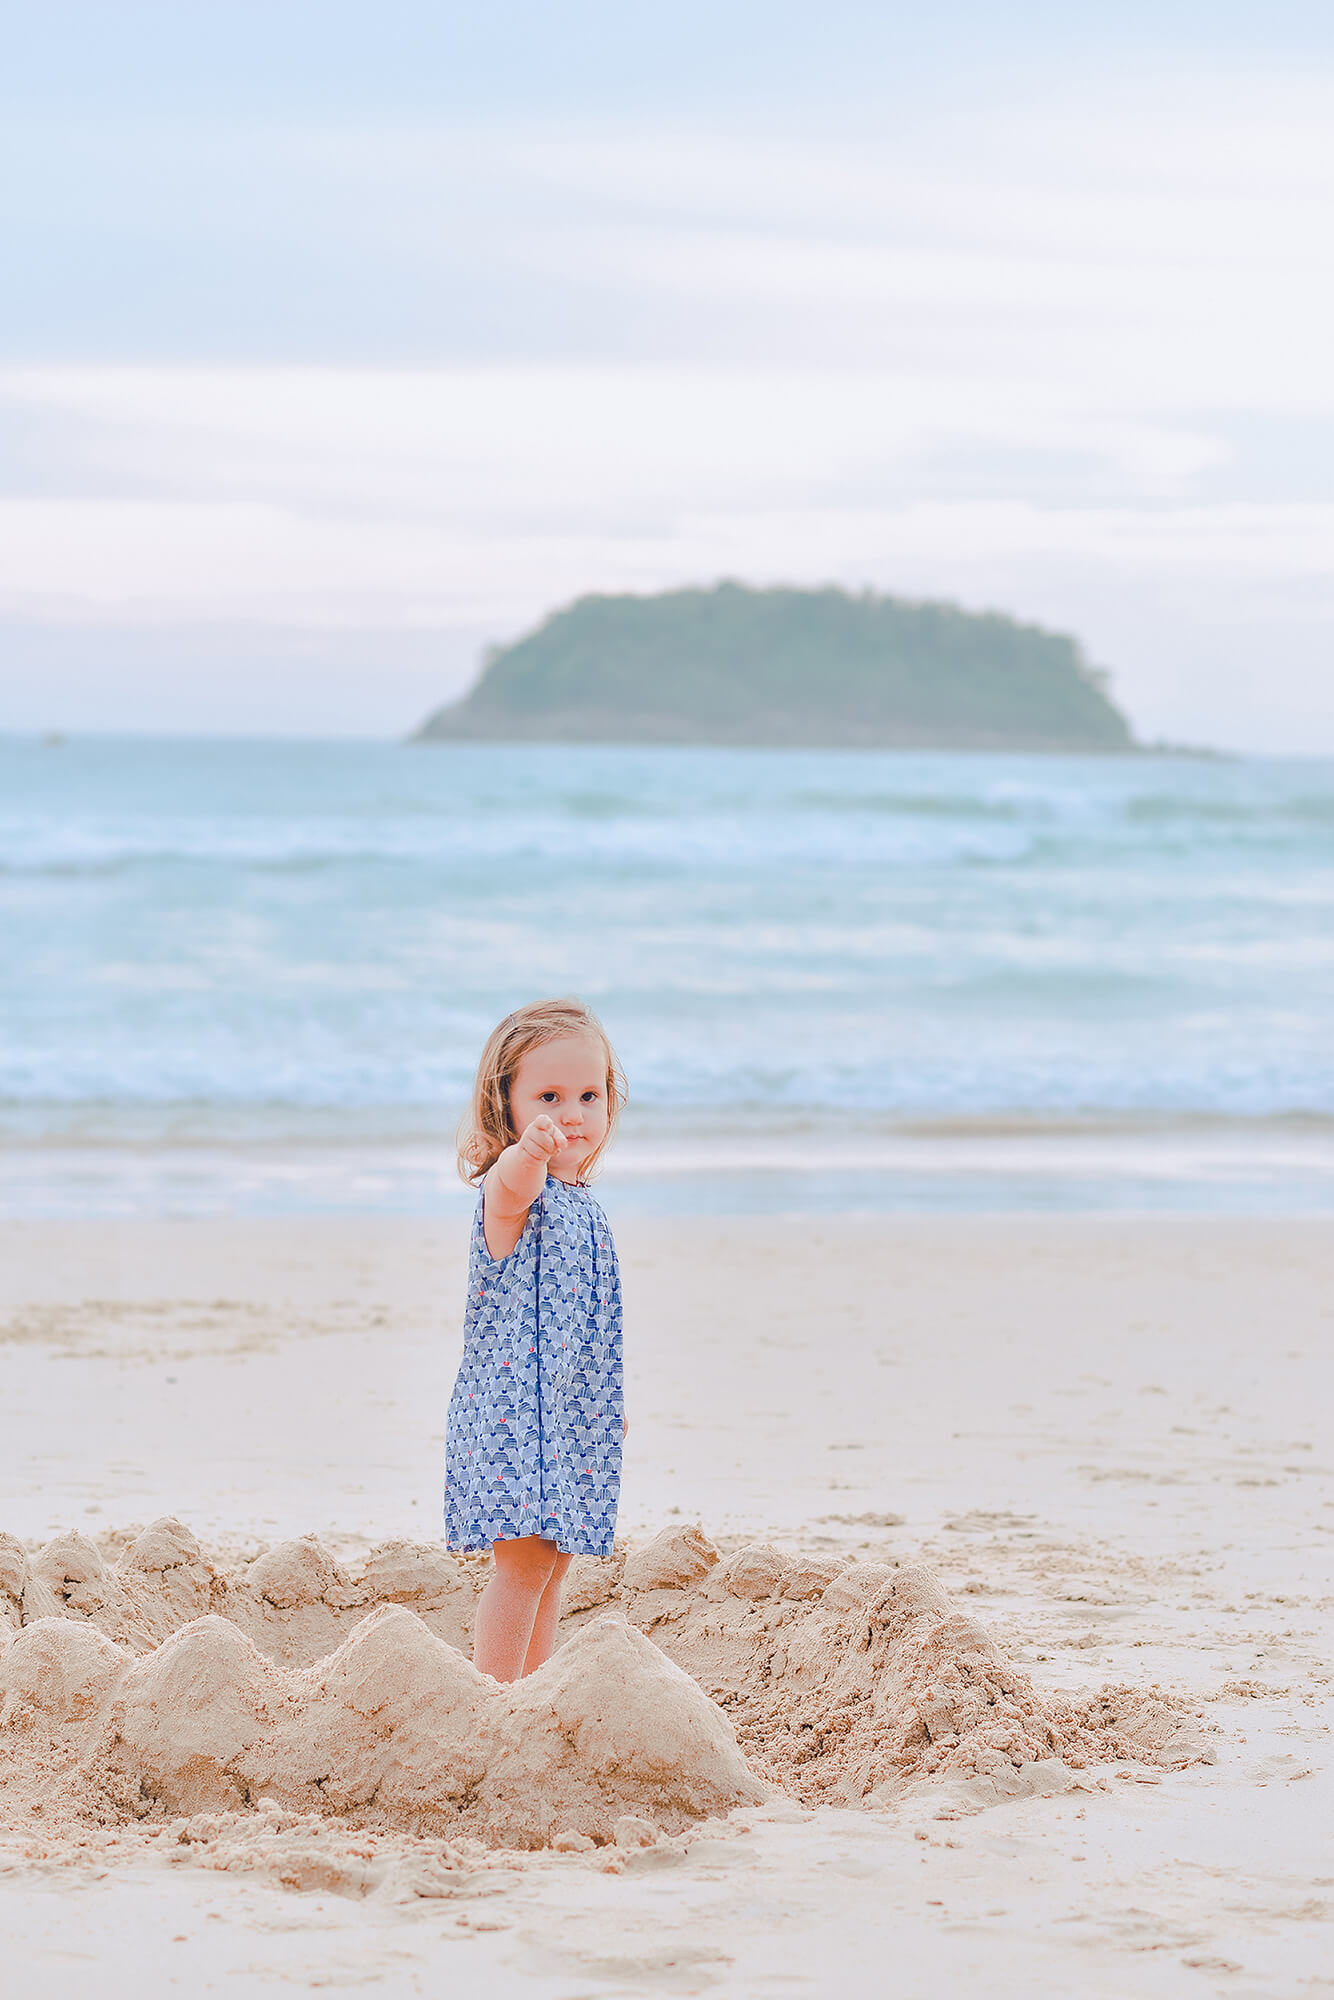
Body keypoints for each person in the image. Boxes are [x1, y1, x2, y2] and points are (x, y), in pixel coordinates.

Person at [445, 998, 626, 1681]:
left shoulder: (586, 1206)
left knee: (554, 1564)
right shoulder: (515, 1191)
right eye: (548, 1097)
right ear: (507, 1105)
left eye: (589, 1094)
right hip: (514, 1415)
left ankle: (533, 1686)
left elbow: (587, 1326)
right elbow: (509, 1184)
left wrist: (608, 1404)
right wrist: (527, 1151)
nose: (572, 1114)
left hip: (570, 1415)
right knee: (521, 1566)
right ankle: (493, 1694)